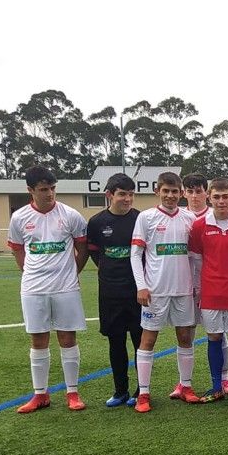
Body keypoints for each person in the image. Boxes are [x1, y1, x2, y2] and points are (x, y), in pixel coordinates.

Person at [8, 165, 89, 413]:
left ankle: (72, 393)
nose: (50, 194)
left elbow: (82, 248)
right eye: (44, 189)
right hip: (33, 288)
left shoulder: (71, 215)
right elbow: (18, 250)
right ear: (30, 190)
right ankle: (40, 394)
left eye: (53, 188)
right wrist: (31, 274)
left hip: (65, 287)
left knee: (67, 337)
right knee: (38, 338)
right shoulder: (19, 218)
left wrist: (71, 272)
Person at [129, 171, 199, 412]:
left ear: (181, 193)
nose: (170, 196)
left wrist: (196, 286)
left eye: (174, 191)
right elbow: (136, 254)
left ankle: (186, 386)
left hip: (183, 290)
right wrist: (142, 286)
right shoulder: (146, 218)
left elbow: (195, 257)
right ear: (157, 191)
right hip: (156, 292)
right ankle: (144, 394)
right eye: (165, 191)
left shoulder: (190, 218)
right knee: (148, 339)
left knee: (185, 338)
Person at [187, 178, 228, 401]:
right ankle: (217, 387)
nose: (221, 201)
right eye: (216, 197)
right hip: (211, 292)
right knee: (213, 337)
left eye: (225, 196)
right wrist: (197, 289)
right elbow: (196, 260)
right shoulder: (199, 225)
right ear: (209, 198)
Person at [84, 172, 141, 407]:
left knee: (141, 342)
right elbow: (95, 252)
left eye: (130, 194)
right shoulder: (97, 222)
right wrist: (109, 270)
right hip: (109, 292)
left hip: (137, 291)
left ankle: (142, 390)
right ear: (109, 195)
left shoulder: (141, 219)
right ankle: (120, 391)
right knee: (116, 342)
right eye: (122, 194)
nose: (127, 199)